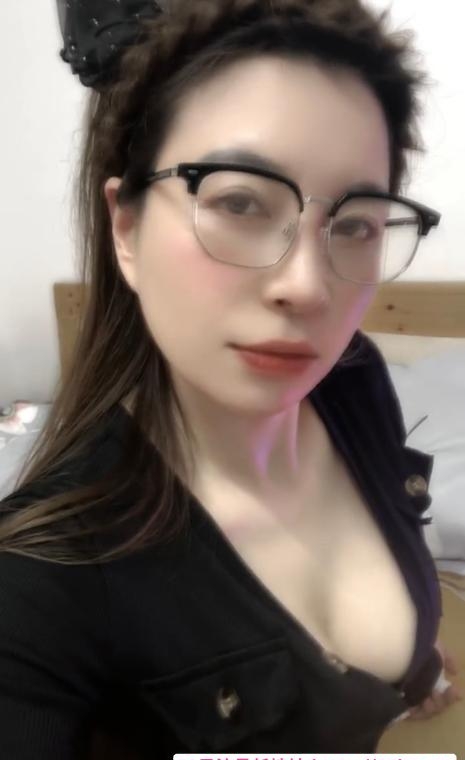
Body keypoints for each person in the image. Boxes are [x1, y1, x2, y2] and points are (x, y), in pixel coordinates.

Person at [0, 0, 461, 757]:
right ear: (126, 229)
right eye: (240, 202)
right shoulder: (39, 588)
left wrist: (408, 664)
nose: (307, 287)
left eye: (355, 224)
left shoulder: (350, 379)